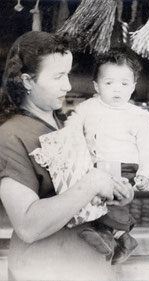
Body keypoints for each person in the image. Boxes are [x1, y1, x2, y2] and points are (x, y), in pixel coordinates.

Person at [0, 31, 133, 281]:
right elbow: (28, 226)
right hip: (44, 269)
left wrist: (115, 192)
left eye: (68, 74)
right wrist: (91, 183)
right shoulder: (10, 136)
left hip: (86, 264)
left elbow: (76, 189)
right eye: (58, 76)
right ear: (28, 81)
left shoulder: (62, 123)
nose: (68, 86)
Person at [31, 46, 149, 265]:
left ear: (133, 86)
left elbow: (147, 147)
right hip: (93, 165)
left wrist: (145, 173)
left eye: (124, 84)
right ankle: (119, 237)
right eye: (109, 83)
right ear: (96, 86)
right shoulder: (88, 107)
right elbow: (74, 123)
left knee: (112, 201)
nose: (117, 90)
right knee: (88, 199)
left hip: (124, 166)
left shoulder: (138, 116)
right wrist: (67, 136)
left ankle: (107, 234)